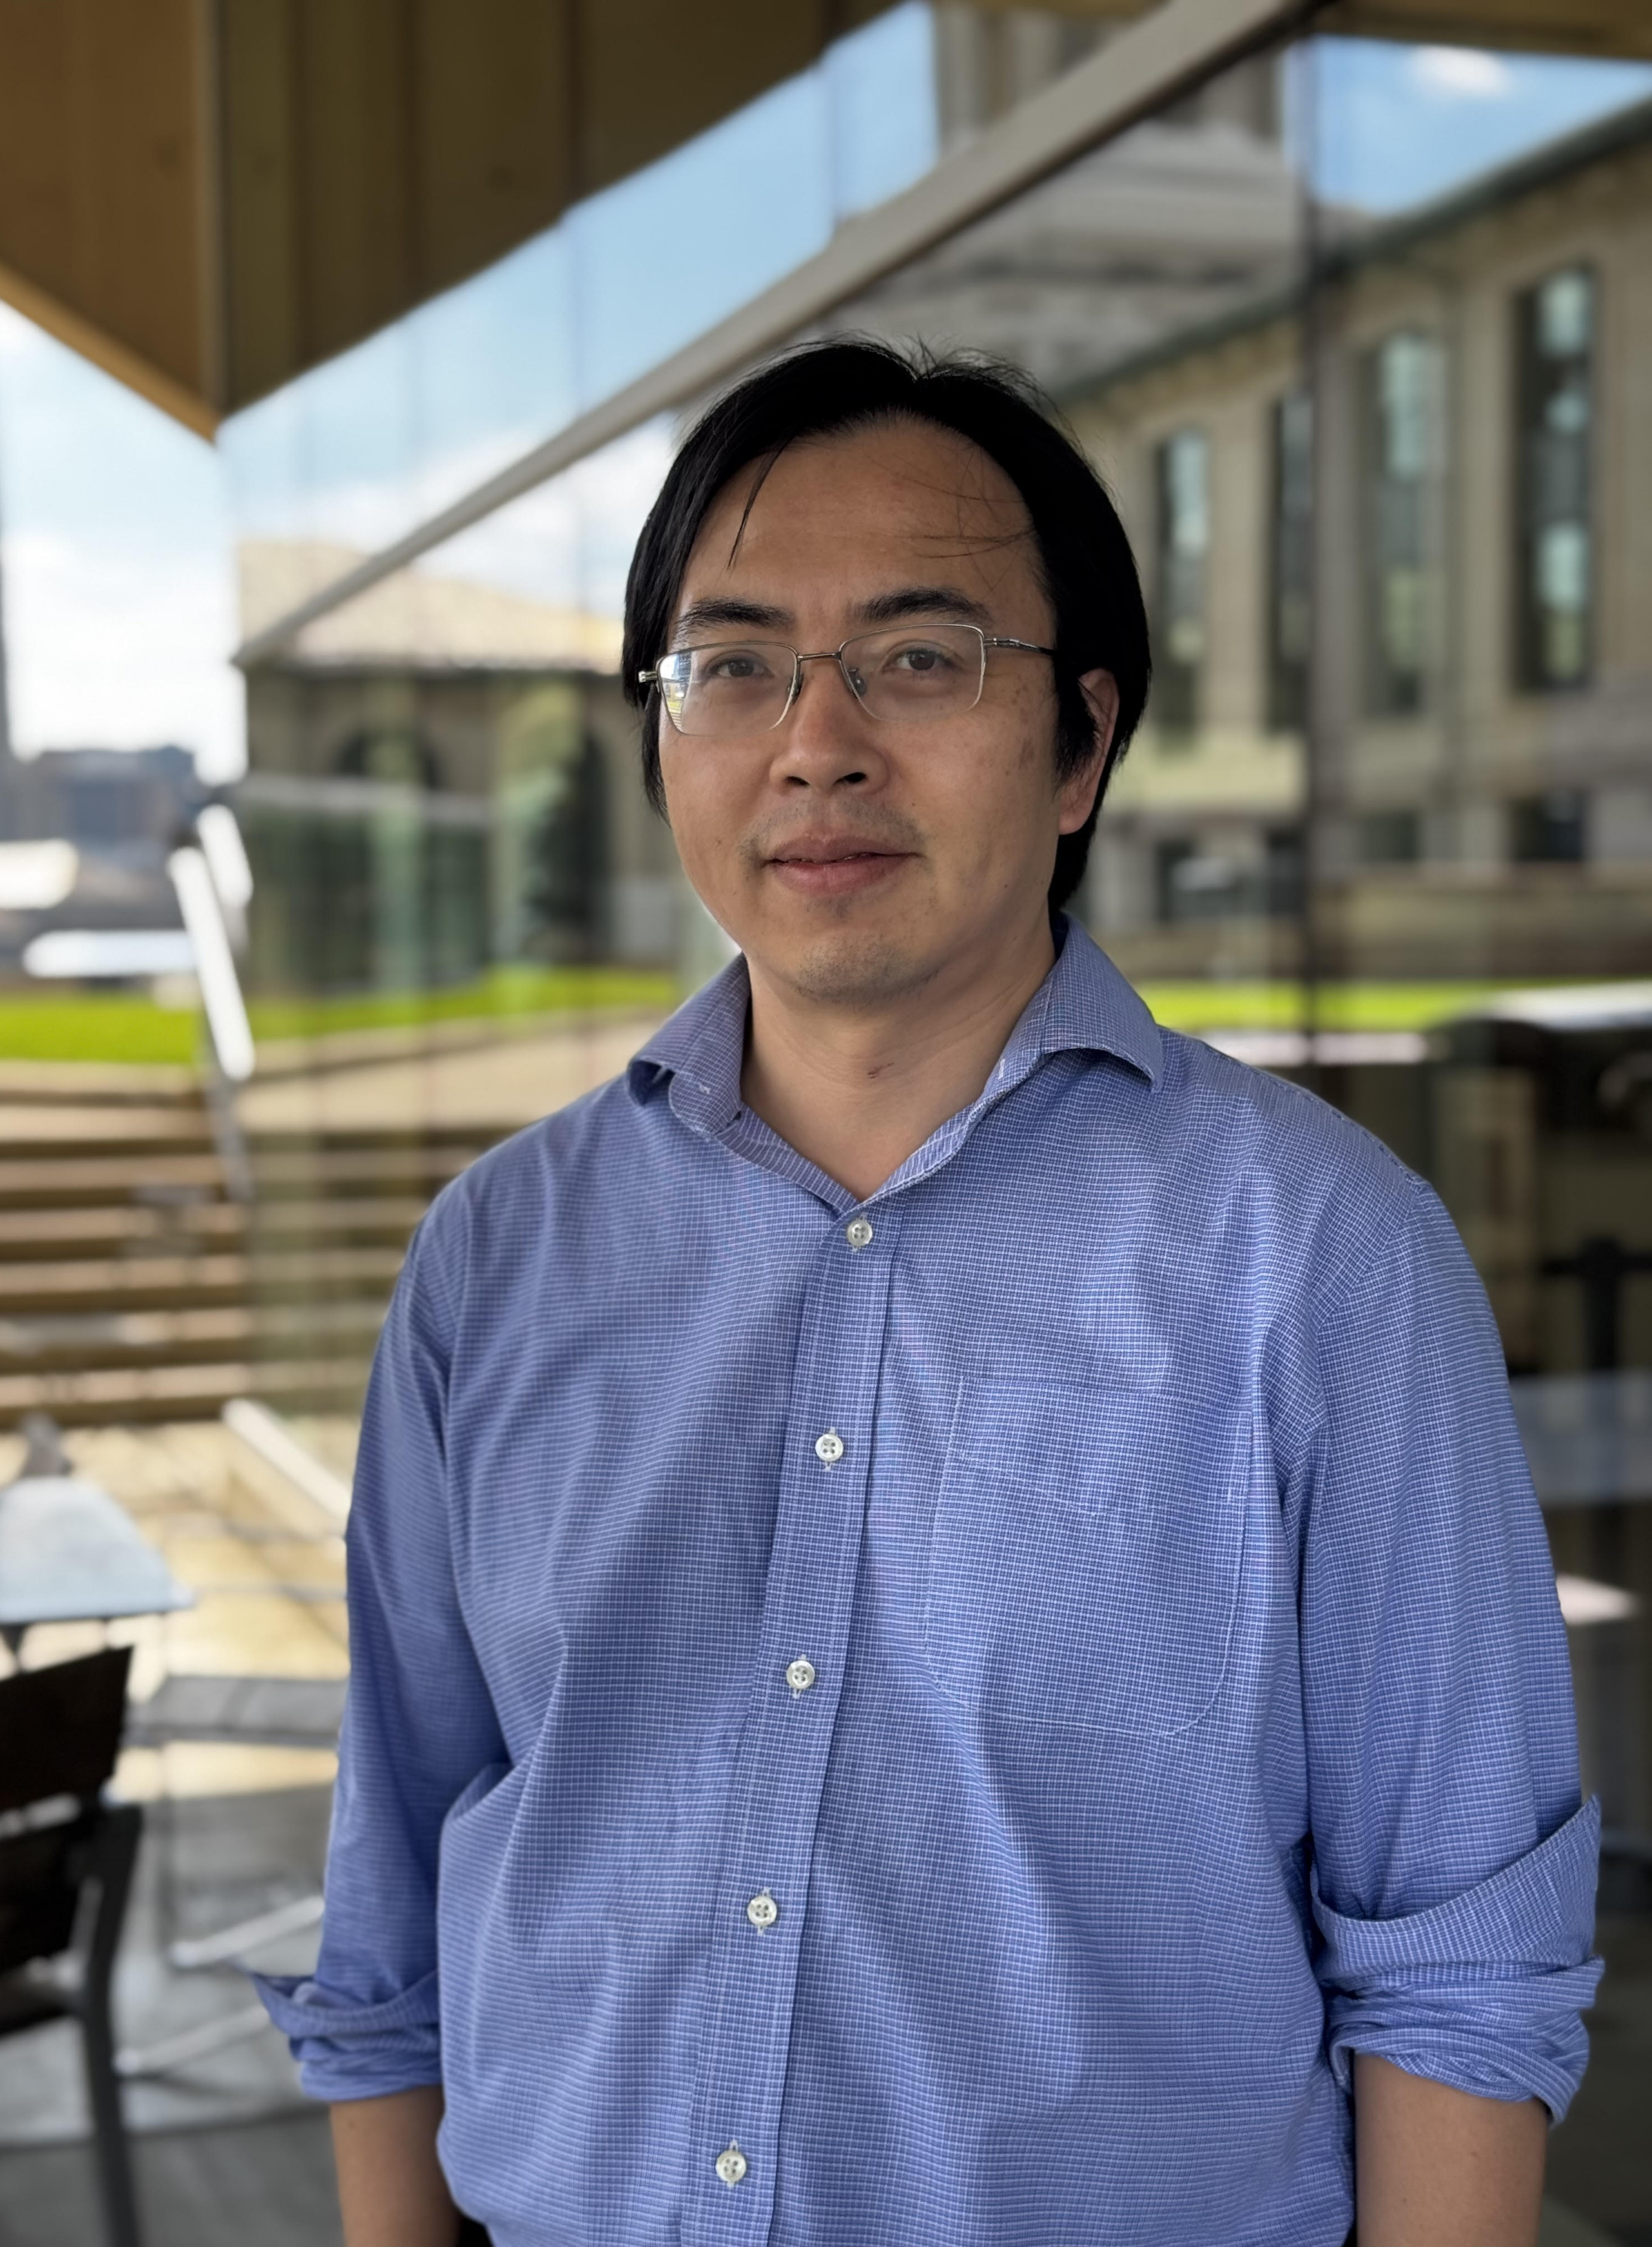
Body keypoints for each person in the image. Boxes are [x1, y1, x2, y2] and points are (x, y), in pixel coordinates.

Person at [259, 340, 1600, 2247]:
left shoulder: (1323, 1262)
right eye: (732, 665)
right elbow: (394, 1900)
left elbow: (1465, 1972)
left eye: (921, 655)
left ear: (1083, 746)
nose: (818, 744)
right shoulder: (500, 1258)